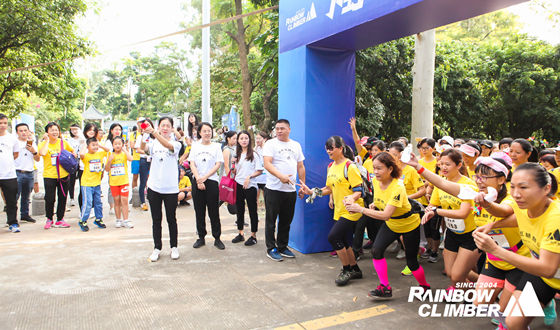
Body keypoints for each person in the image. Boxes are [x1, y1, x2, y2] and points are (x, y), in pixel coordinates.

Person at [406, 152, 533, 328]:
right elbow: (443, 183)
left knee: (507, 318)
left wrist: (487, 205)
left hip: (517, 260)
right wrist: (418, 167)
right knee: (479, 303)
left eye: (485, 177)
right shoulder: (474, 192)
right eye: (477, 176)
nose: (479, 181)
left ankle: (518, 314)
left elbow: (503, 212)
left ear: (501, 180)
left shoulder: (512, 197)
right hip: (494, 260)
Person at [473, 163, 560, 329]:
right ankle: (546, 302)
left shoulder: (556, 218)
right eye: (512, 187)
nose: (516, 194)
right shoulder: (526, 206)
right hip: (542, 277)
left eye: (524, 187)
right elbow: (519, 219)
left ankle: (546, 303)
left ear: (546, 188)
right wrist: (493, 226)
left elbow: (548, 268)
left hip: (545, 269)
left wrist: (495, 250)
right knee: (513, 323)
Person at [345, 152, 430, 299]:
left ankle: (424, 287)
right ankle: (385, 287)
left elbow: (385, 215)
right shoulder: (376, 182)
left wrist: (360, 209)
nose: (375, 172)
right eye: (374, 168)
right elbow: (380, 202)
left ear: (390, 169)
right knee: (376, 251)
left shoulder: (398, 186)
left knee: (412, 262)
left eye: (379, 168)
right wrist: (374, 205)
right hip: (392, 224)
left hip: (409, 225)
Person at [301, 136, 364, 286]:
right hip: (339, 210)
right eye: (327, 148)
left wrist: (351, 198)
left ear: (340, 148)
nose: (328, 151)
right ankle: (355, 269)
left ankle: (346, 269)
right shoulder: (331, 167)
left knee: (334, 237)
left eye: (331, 148)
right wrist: (312, 192)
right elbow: (329, 188)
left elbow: (359, 190)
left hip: (352, 210)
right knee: (345, 241)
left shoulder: (350, 166)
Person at [422, 148, 480, 292]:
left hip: (470, 234)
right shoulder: (441, 183)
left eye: (447, 164)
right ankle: (483, 284)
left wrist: (437, 211)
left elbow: (463, 213)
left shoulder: (468, 185)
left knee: (456, 276)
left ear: (459, 165)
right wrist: (428, 211)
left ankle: (478, 290)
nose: (443, 167)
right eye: (441, 164)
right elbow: (432, 205)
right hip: (452, 233)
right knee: (451, 273)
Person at [263, 119, 306, 261]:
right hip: (273, 189)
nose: (279, 131)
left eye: (282, 128)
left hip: (290, 190)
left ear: (289, 129)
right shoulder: (270, 144)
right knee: (271, 221)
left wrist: (303, 185)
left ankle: (282, 246)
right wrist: (280, 176)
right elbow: (267, 163)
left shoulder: (296, 145)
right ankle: (271, 248)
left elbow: (300, 166)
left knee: (286, 220)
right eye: (277, 128)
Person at [141, 117, 183, 262]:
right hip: (154, 187)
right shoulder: (153, 143)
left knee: (171, 219)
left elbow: (167, 146)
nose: (165, 128)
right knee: (156, 219)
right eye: (162, 125)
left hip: (170, 188)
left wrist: (154, 133)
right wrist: (144, 134)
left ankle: (174, 247)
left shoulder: (176, 144)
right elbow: (143, 148)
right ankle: (157, 248)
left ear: (172, 128)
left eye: (168, 126)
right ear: (159, 127)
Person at [188, 122, 225, 250]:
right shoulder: (195, 146)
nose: (207, 133)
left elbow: (218, 164)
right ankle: (201, 237)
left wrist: (205, 177)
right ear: (199, 133)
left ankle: (217, 238)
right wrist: (198, 179)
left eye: (209, 130)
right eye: (204, 131)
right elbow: (192, 163)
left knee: (213, 211)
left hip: (211, 181)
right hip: (197, 180)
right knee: (199, 210)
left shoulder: (216, 146)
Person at [38, 122, 75, 229]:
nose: (55, 132)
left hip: (63, 175)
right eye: (52, 130)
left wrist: (72, 156)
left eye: (56, 130)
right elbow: (43, 153)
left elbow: (72, 152)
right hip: (49, 175)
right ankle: (49, 218)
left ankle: (60, 219)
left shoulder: (63, 142)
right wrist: (47, 141)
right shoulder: (43, 144)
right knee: (50, 198)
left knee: (62, 197)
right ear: (47, 132)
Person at [231, 130, 263, 246]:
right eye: (241, 138)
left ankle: (253, 235)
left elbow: (260, 170)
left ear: (249, 140)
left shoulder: (254, 154)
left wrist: (249, 177)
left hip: (251, 186)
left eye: (246, 138)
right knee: (239, 210)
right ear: (238, 141)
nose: (244, 140)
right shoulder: (237, 154)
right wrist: (232, 165)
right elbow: (235, 172)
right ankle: (240, 233)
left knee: (252, 210)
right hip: (238, 184)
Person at [78, 138, 107, 231]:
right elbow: (81, 154)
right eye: (92, 145)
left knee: (98, 202)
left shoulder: (100, 154)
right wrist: (84, 145)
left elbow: (108, 150)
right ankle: (83, 220)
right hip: (87, 184)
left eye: (96, 144)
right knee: (88, 203)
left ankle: (98, 219)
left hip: (97, 183)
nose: (95, 147)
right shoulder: (86, 156)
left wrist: (100, 145)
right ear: (88, 147)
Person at [105, 136, 133, 228]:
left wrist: (125, 149)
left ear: (122, 144)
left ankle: (126, 220)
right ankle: (118, 219)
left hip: (124, 181)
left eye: (119, 144)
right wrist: (109, 161)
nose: (117, 146)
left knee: (124, 201)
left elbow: (130, 158)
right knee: (116, 201)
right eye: (115, 144)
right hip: (114, 182)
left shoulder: (124, 154)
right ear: (112, 145)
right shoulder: (110, 154)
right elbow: (106, 169)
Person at [14, 123, 40, 223]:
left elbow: (37, 159)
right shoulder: (14, 143)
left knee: (26, 196)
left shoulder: (32, 144)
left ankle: (25, 214)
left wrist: (33, 151)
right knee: (15, 196)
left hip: (29, 172)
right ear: (17, 132)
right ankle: (12, 218)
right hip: (17, 172)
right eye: (21, 131)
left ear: (29, 131)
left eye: (25, 130)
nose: (24, 133)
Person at [0, 114, 20, 232]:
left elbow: (15, 154)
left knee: (11, 201)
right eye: (0, 123)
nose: (2, 125)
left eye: (4, 123)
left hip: (9, 175)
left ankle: (13, 223)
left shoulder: (12, 138)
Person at [77, 123, 100, 211]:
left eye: (93, 130)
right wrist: (86, 144)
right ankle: (82, 210)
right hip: (84, 169)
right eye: (89, 130)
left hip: (95, 170)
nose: (91, 132)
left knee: (95, 191)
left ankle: (92, 209)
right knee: (83, 191)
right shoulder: (83, 141)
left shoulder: (97, 142)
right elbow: (81, 154)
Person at [135, 119, 154, 211]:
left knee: (153, 181)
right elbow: (138, 149)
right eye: (145, 126)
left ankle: (153, 200)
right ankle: (143, 202)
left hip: (154, 160)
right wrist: (148, 153)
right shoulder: (140, 137)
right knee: (143, 182)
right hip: (144, 160)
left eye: (148, 125)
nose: (147, 127)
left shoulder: (155, 137)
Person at [105, 123, 123, 215]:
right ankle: (112, 206)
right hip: (112, 167)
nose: (117, 131)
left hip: (121, 167)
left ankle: (120, 205)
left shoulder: (122, 141)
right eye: (116, 129)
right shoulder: (108, 142)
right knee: (112, 187)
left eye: (119, 129)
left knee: (121, 187)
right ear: (111, 130)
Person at [66, 124, 84, 206]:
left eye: (76, 129)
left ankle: (81, 196)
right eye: (73, 130)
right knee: (71, 179)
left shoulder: (82, 139)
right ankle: (71, 197)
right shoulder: (69, 140)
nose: (75, 131)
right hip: (72, 161)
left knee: (81, 179)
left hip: (81, 160)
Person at [254, 131, 269, 206]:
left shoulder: (268, 149)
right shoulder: (256, 149)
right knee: (254, 198)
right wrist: (256, 147)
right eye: (256, 138)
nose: (257, 140)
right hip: (256, 178)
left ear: (265, 139)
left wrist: (263, 146)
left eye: (259, 138)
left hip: (266, 178)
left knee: (267, 199)